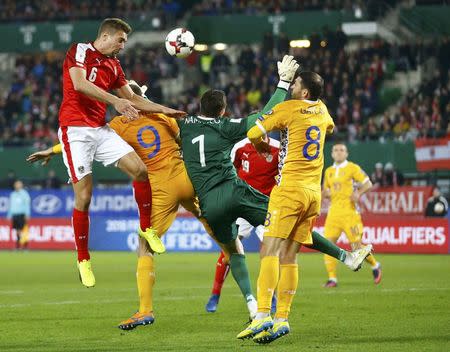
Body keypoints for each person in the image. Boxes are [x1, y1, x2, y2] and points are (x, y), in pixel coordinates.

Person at [27, 81, 255, 330]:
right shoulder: (159, 114)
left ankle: (145, 310)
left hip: (160, 190)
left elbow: (84, 142)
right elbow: (184, 143)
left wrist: (52, 150)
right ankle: (255, 307)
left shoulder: (116, 127)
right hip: (187, 178)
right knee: (227, 240)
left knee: (144, 248)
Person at [237, 72, 372, 344]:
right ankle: (282, 319)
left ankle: (262, 314)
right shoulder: (322, 110)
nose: (292, 87)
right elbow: (330, 128)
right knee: (289, 256)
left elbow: (252, 131)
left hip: (289, 189)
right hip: (312, 193)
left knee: (269, 250)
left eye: (296, 84)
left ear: (305, 92)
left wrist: (263, 143)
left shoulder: (287, 108)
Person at [54, 18, 185, 287]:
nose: (123, 45)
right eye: (121, 40)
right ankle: (83, 259)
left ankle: (147, 228)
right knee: (85, 196)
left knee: (139, 169)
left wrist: (166, 109)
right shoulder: (79, 51)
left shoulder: (114, 65)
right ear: (106, 36)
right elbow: (79, 84)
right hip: (75, 131)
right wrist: (115, 101)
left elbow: (135, 99)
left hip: (99, 130)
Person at [205, 134, 280, 313]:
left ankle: (272, 296)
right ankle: (215, 294)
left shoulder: (278, 148)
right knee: (229, 249)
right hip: (242, 205)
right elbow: (229, 170)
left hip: (266, 207)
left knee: (270, 252)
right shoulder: (240, 147)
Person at [322, 143, 381, 287]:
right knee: (328, 246)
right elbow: (324, 191)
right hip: (333, 214)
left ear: (346, 154)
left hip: (350, 213)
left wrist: (358, 193)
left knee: (357, 247)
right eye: (336, 150)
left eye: (342, 150)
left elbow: (368, 184)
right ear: (332, 154)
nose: (338, 152)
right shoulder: (328, 171)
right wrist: (326, 194)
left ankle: (375, 265)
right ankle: (332, 279)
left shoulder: (352, 168)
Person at [7, 180, 31, 250]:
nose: (17, 186)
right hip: (15, 214)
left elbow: (27, 204)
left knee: (23, 230)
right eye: (16, 184)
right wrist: (9, 215)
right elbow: (11, 205)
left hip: (22, 214)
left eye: (18, 184)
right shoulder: (12, 194)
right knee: (17, 230)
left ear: (21, 185)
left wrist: (27, 214)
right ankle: (18, 245)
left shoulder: (24, 194)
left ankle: (24, 245)